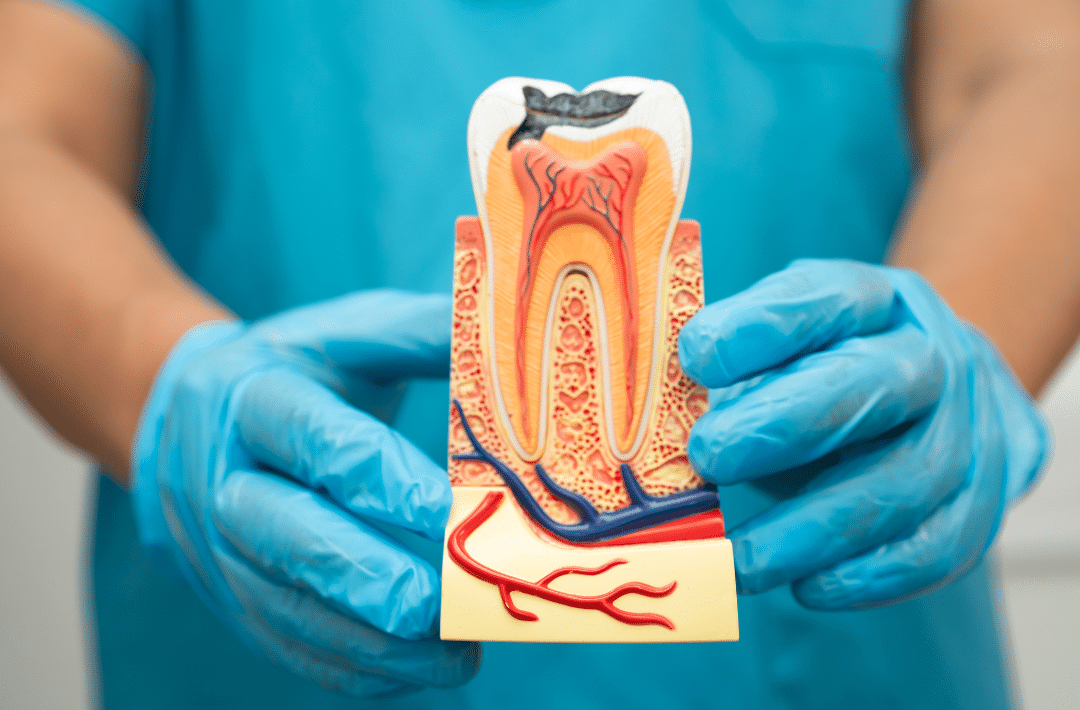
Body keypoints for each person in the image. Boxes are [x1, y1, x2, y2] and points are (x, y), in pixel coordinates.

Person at [0, 0, 1076, 707]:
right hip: (269, 659)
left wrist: (957, 346)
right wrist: (167, 378)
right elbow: (22, 123)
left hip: (835, 653)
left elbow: (1038, 62)